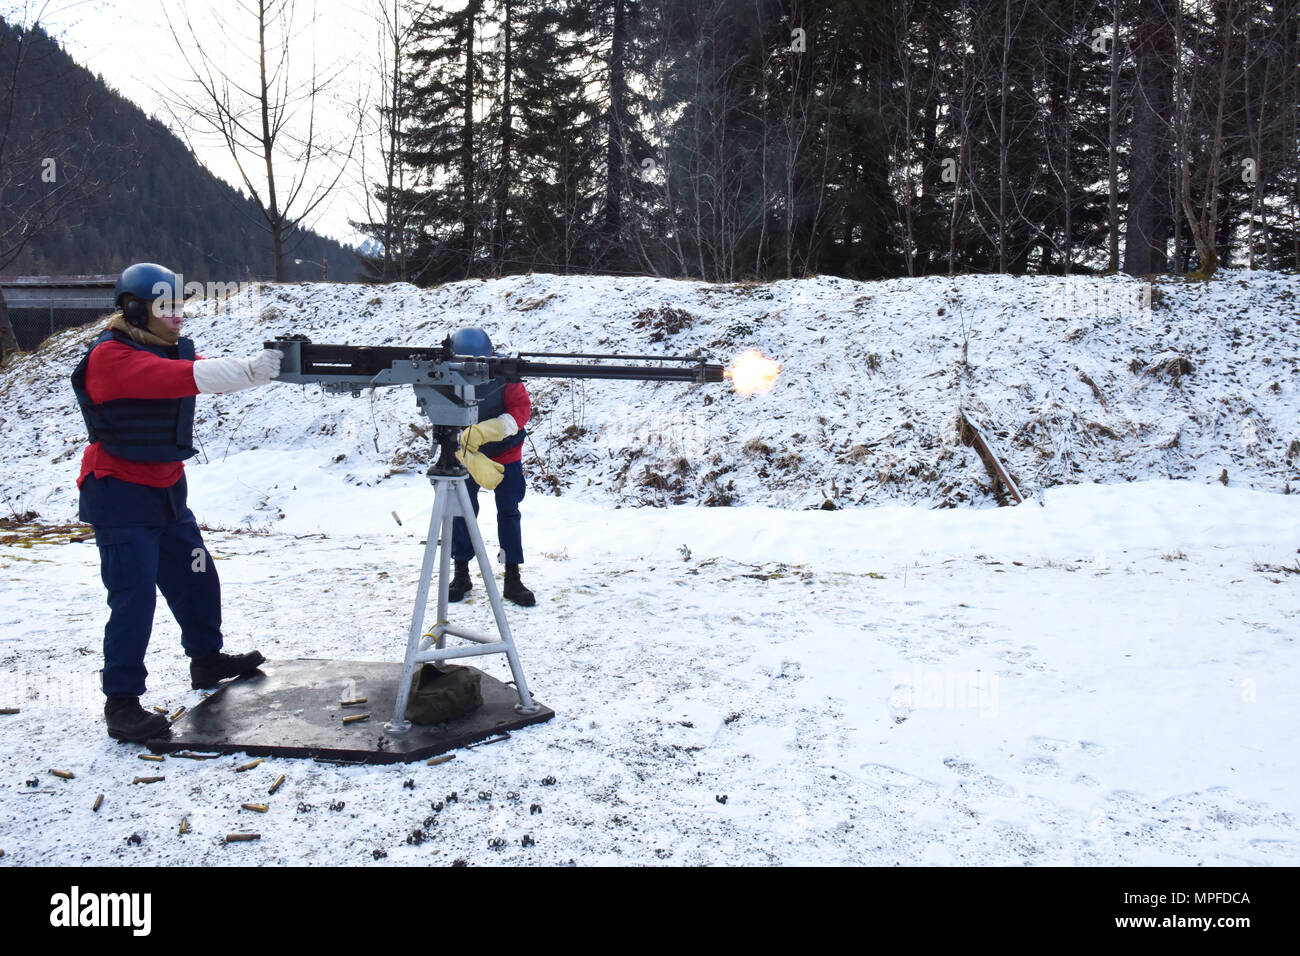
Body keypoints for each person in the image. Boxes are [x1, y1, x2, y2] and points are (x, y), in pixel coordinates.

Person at [71, 262, 283, 742]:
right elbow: (188, 378)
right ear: (134, 309)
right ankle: (121, 702)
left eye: (179, 307)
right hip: (120, 493)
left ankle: (206, 660)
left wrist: (284, 367)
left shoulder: (165, 349)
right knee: (134, 595)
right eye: (166, 308)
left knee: (196, 575)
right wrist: (248, 371)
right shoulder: (112, 357)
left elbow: (206, 372)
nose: (178, 317)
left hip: (167, 490)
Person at [447, 327, 536, 607]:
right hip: (466, 453)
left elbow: (521, 411)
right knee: (462, 510)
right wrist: (459, 439)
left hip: (506, 452)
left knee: (509, 512)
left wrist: (489, 430)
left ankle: (512, 577)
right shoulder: (446, 373)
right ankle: (461, 574)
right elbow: (438, 407)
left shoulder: (505, 373)